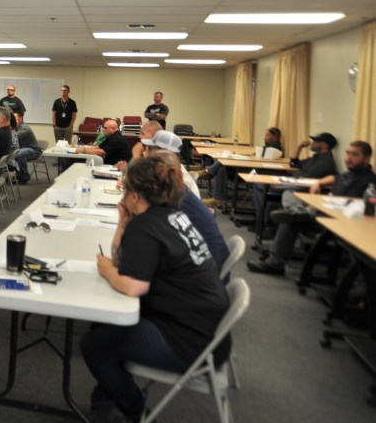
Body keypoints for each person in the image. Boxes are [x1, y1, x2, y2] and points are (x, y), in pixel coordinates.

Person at [81, 156, 230, 423]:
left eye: (124, 188)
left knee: (94, 346)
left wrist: (106, 270)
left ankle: (134, 410)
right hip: (207, 329)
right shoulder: (172, 214)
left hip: (189, 343)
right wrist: (123, 221)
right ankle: (106, 404)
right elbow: (123, 262)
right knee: (103, 324)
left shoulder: (146, 227)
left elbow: (132, 286)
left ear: (135, 195)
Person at [248, 140, 375, 276]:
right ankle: (298, 213)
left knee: (290, 219)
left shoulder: (370, 182)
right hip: (323, 212)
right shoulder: (349, 174)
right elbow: (335, 177)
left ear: (367, 158)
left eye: (354, 155)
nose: (348, 158)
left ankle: (275, 261)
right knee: (290, 207)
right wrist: (319, 183)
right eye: (347, 153)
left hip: (339, 222)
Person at [251, 132, 338, 227]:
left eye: (315, 141)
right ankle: (263, 220)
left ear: (324, 145)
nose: (312, 143)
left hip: (301, 187)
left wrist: (286, 182)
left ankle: (266, 223)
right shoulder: (316, 157)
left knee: (264, 187)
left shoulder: (326, 162)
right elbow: (294, 164)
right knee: (258, 185)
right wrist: (299, 147)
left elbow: (307, 179)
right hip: (293, 182)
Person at [203, 127, 282, 209]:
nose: (264, 137)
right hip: (251, 167)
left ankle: (208, 174)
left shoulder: (276, 148)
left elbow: (260, 158)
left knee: (223, 164)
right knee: (222, 168)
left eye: (267, 135)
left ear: (275, 136)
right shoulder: (268, 147)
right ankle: (217, 197)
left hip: (254, 171)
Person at [13, 111, 41, 184]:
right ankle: (15, 173)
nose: (12, 119)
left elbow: (14, 138)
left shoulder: (25, 129)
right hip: (24, 149)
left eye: (15, 117)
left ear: (20, 118)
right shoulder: (16, 127)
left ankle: (24, 176)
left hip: (34, 151)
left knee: (20, 154)